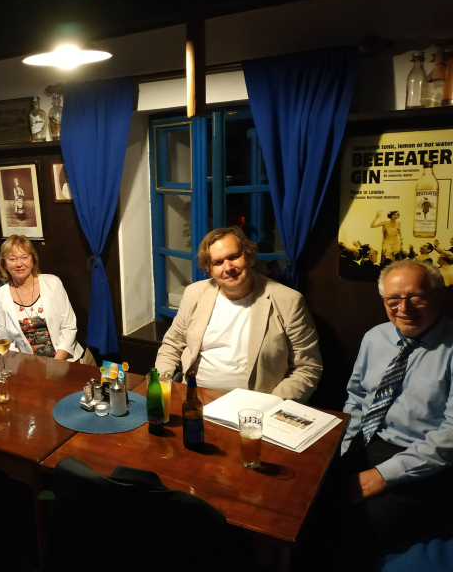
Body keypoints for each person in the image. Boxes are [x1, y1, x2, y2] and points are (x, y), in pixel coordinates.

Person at [335, 260, 453, 564]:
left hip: (427, 462)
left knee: (360, 528)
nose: (404, 308)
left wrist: (383, 475)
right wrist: (344, 450)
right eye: (393, 299)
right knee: (309, 499)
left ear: (438, 296)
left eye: (415, 297)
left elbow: (450, 437)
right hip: (368, 441)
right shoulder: (375, 337)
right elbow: (357, 397)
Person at [154, 226, 322, 402]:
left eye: (234, 257)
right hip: (194, 399)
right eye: (218, 262)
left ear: (249, 257)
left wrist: (271, 406)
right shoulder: (194, 293)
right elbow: (172, 344)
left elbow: (307, 368)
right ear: (210, 270)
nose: (228, 267)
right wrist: (161, 382)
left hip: (256, 406)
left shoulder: (288, 301)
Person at [0, 235, 83, 361]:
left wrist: (56, 364)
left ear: (32, 260)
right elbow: (5, 341)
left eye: (24, 257)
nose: (19, 264)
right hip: (27, 365)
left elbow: (69, 327)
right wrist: (27, 367)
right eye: (12, 259)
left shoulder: (53, 282)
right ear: (4, 264)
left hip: (64, 360)